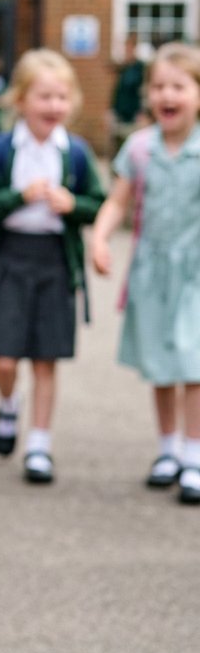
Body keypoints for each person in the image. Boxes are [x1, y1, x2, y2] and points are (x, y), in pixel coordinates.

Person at [0, 49, 105, 485]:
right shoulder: (2, 150)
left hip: (54, 262)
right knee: (5, 359)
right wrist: (18, 197)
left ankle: (40, 444)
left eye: (62, 97)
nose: (54, 106)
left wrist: (73, 205)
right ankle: (8, 405)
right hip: (11, 257)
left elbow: (98, 206)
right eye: (44, 96)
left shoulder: (77, 154)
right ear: (21, 100)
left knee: (46, 359)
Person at [91, 42, 200, 505]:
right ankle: (167, 450)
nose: (165, 95)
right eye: (158, 86)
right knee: (160, 364)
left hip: (195, 272)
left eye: (178, 86)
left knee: (193, 365)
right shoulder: (138, 148)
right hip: (152, 272)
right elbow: (118, 200)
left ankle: (194, 455)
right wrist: (99, 237)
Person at [107, 33, 146, 158]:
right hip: (120, 114)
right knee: (116, 150)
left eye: (129, 47)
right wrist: (111, 111)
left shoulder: (140, 68)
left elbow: (143, 91)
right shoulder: (123, 68)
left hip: (133, 116)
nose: (126, 50)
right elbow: (117, 92)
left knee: (130, 149)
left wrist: (142, 112)